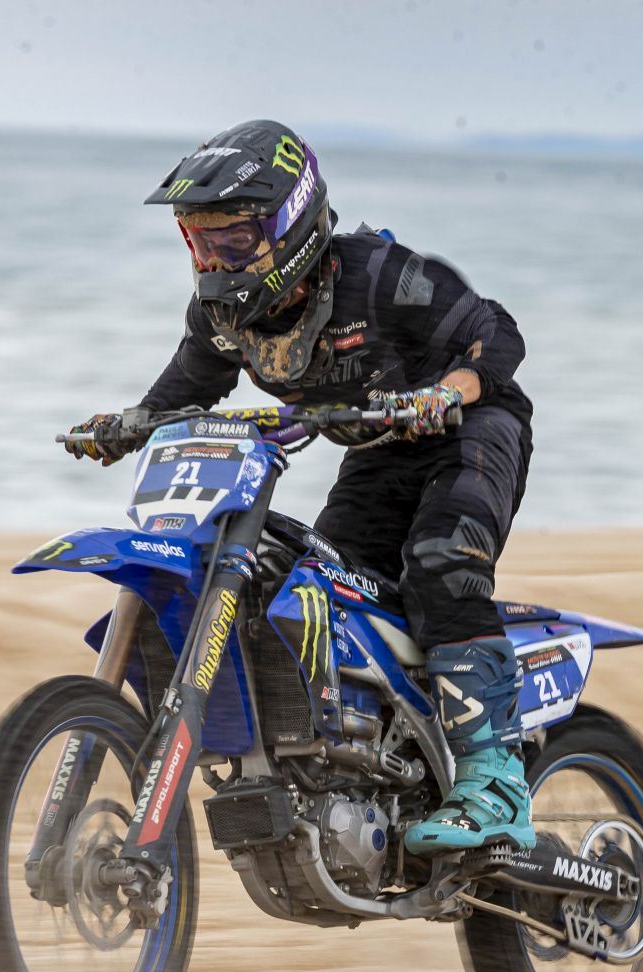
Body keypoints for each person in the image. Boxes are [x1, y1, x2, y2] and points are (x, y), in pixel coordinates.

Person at [65, 119, 537, 859]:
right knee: (326, 590)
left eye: (234, 239)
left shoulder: (378, 276)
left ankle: (496, 781)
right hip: (378, 453)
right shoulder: (221, 316)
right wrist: (126, 426)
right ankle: (378, 765)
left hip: (471, 432)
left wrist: (447, 391)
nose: (215, 260)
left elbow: (498, 333)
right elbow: (183, 392)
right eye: (201, 241)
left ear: (291, 223)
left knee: (441, 565)